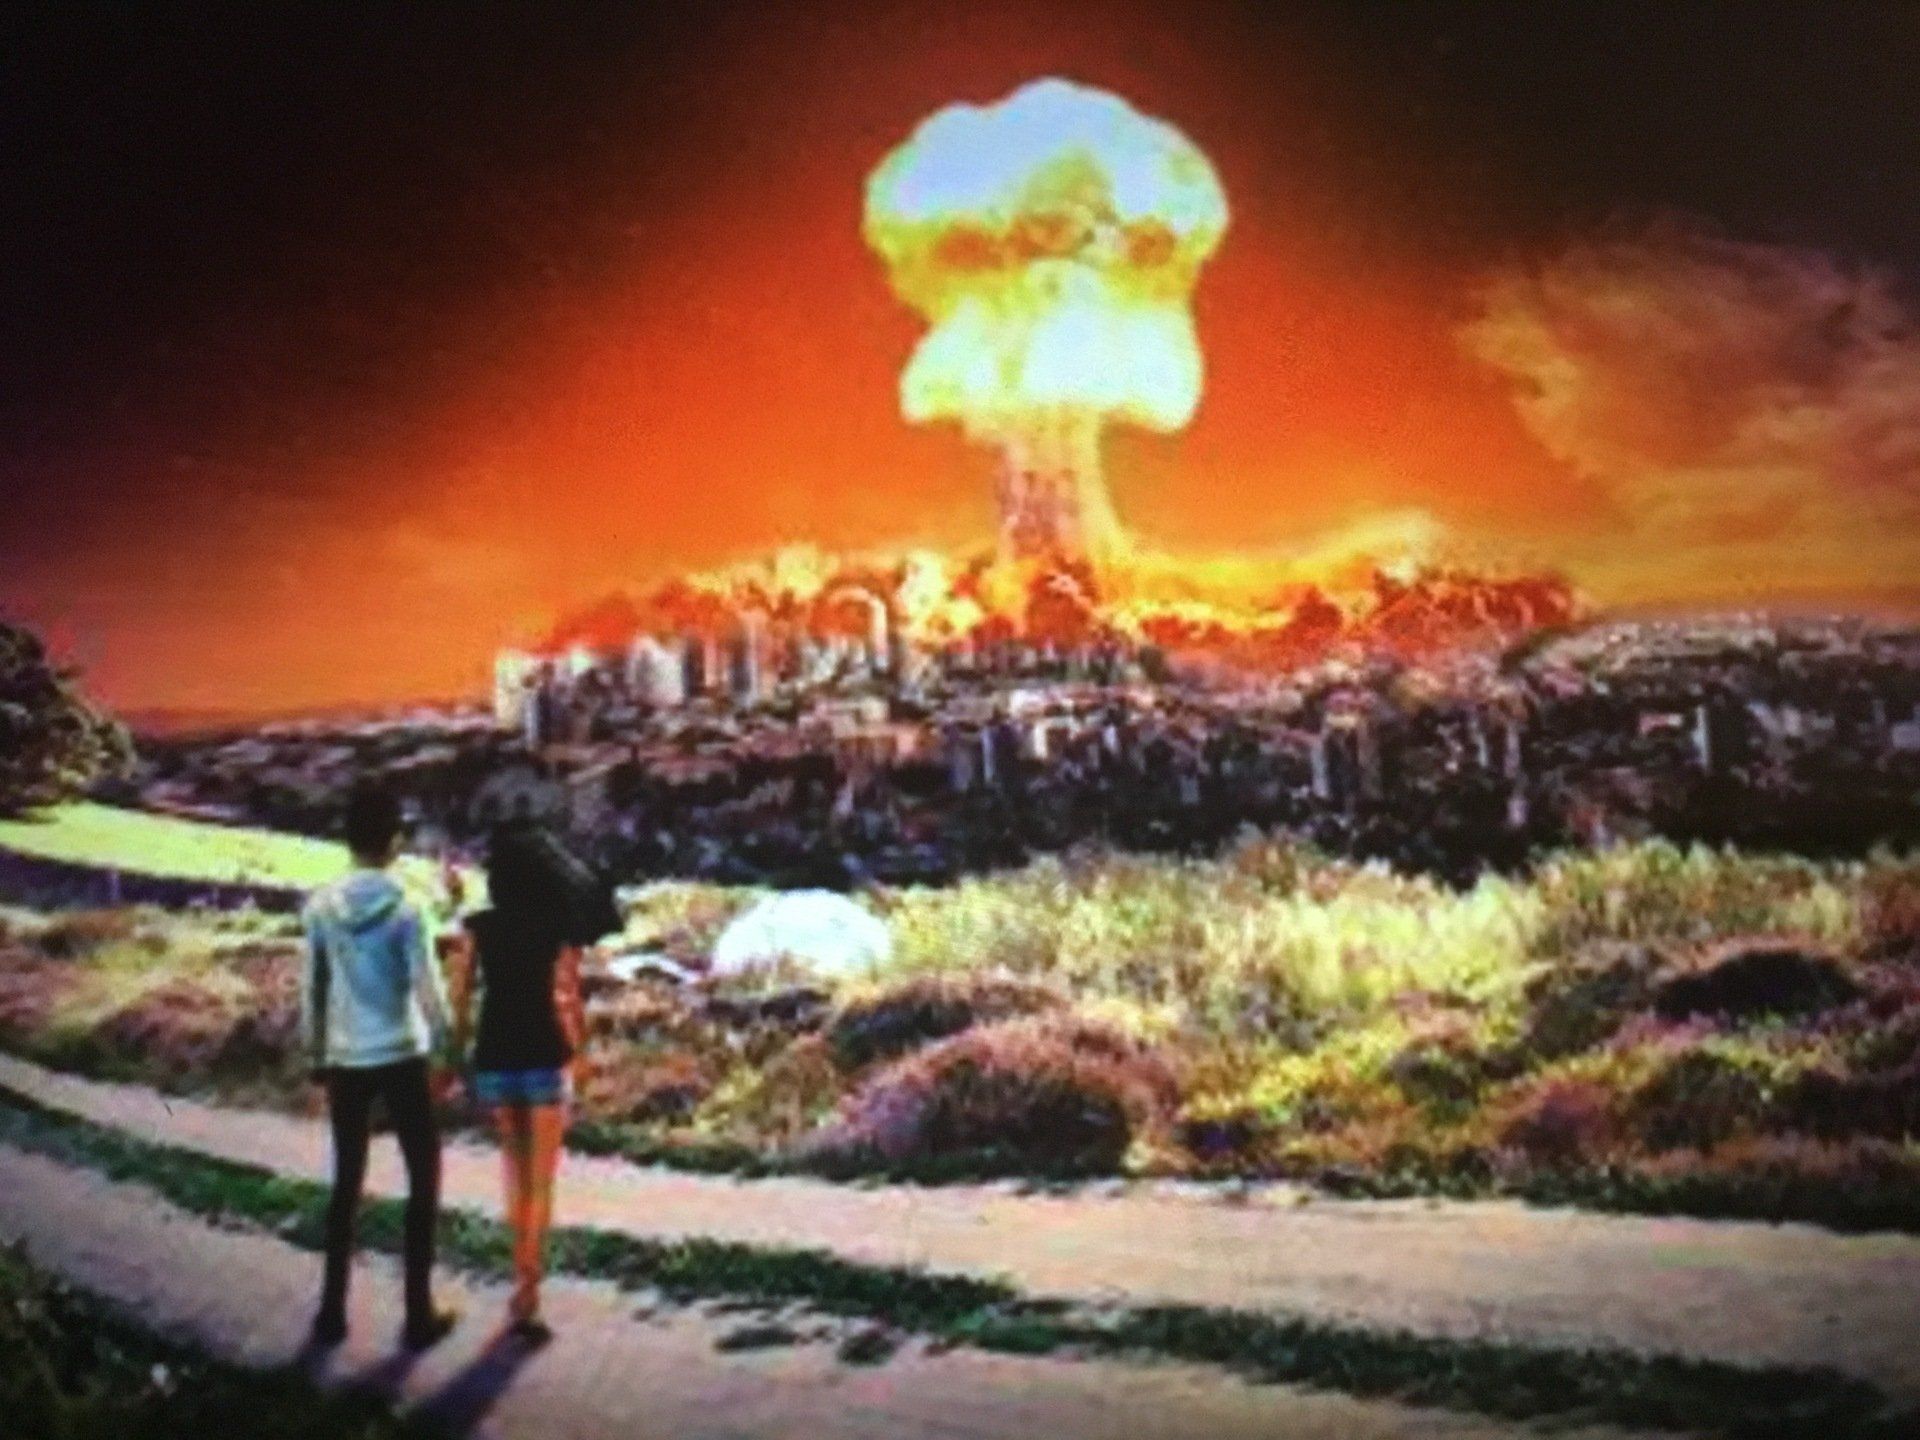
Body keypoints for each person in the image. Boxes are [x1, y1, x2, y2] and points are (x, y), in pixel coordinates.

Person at [299, 780, 457, 1350]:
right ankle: (417, 1312)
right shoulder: (409, 908)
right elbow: (429, 991)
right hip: (403, 1055)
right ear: (394, 841)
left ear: (348, 840)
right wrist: (449, 1048)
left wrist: (316, 1055)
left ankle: (331, 1313)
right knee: (423, 1179)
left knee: (346, 1182)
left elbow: (313, 989)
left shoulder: (321, 907)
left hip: (347, 1057)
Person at [446, 822, 592, 1339]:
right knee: (541, 1180)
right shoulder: (557, 928)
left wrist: (450, 1060)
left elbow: (460, 1001)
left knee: (514, 1172)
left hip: (496, 1056)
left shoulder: (479, 926)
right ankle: (528, 1292)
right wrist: (582, 1054)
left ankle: (520, 1276)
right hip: (544, 1055)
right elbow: (566, 998)